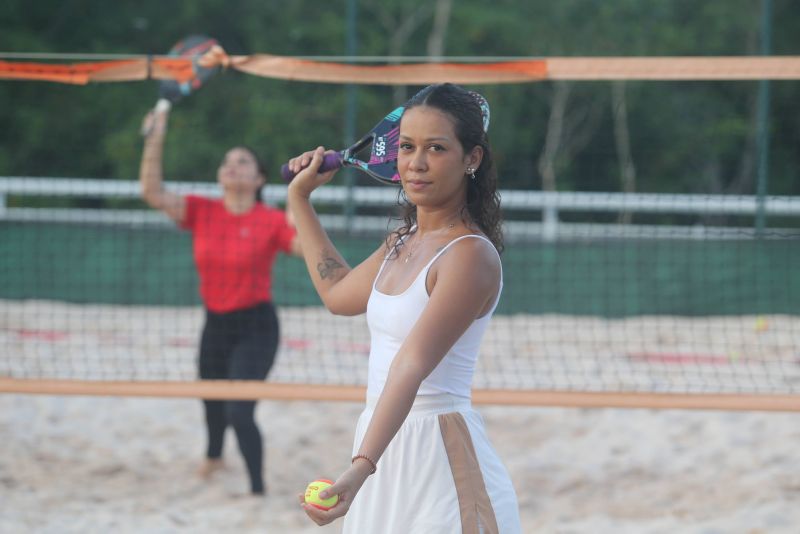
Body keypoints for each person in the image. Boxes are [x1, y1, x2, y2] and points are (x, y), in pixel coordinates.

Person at [287, 83, 521, 532]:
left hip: (438, 453)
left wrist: (360, 466)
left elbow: (410, 365)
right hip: (381, 447)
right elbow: (337, 294)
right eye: (407, 147)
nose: (416, 162)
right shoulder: (402, 242)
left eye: (436, 148)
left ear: (471, 158)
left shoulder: (469, 255)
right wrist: (300, 198)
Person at [139, 107, 301, 496]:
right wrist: (155, 136)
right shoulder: (202, 210)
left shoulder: (270, 218)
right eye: (227, 161)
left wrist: (301, 190)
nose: (232, 165)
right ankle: (213, 458)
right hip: (215, 322)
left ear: (259, 178)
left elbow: (301, 243)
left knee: (239, 411)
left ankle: (258, 490)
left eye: (242, 161)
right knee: (211, 400)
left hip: (256, 326)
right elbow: (151, 191)